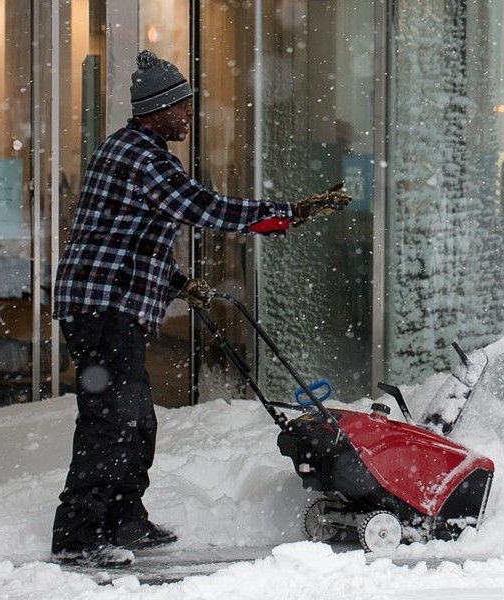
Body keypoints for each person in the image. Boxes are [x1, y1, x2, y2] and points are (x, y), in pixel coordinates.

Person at [50, 50, 351, 568]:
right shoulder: (145, 157)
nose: (189, 115)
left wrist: (181, 284)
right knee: (112, 420)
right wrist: (284, 215)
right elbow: (200, 208)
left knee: (136, 419)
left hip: (106, 301)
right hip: (104, 307)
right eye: (182, 107)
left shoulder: (129, 150)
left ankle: (123, 517)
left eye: (189, 105)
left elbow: (125, 237)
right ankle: (78, 533)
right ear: (155, 111)